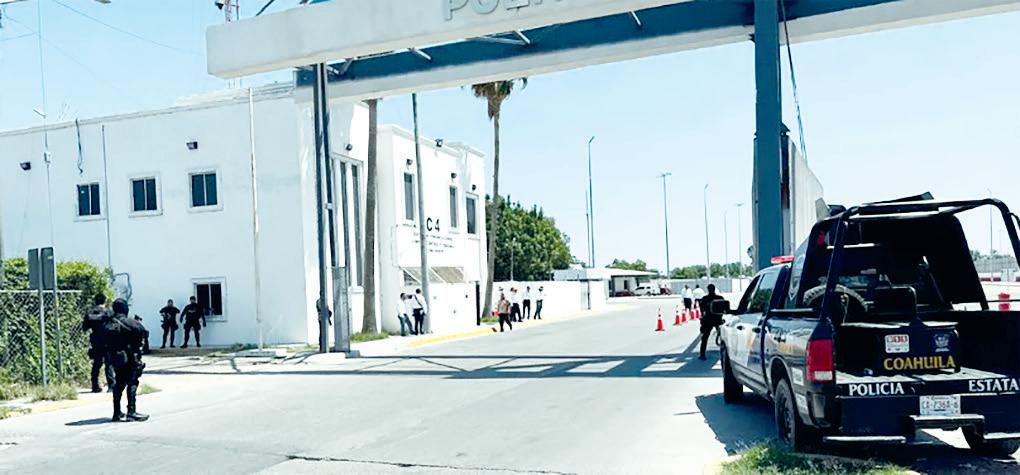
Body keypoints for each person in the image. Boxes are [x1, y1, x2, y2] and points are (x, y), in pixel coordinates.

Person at [102, 298, 149, 422]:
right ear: (125, 308)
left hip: (114, 358)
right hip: (129, 358)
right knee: (132, 382)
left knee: (119, 384)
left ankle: (116, 412)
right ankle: (131, 411)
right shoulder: (130, 322)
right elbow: (144, 332)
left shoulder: (108, 324)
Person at [83, 294, 114, 393]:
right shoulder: (109, 312)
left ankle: (95, 385)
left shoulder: (90, 313)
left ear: (95, 301)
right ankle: (111, 386)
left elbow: (85, 327)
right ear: (105, 301)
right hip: (108, 341)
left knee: (97, 363)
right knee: (109, 363)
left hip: (96, 341)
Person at [698, 284, 727, 360]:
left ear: (708, 289)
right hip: (718, 319)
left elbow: (702, 309)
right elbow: (725, 309)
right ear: (714, 289)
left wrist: (703, 316)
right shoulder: (720, 298)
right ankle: (725, 354)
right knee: (722, 337)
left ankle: (702, 354)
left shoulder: (705, 298)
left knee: (705, 337)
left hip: (708, 319)